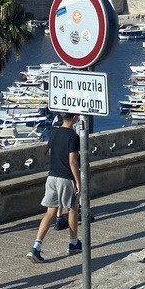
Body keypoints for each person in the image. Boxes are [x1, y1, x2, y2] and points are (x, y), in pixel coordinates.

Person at [27, 112, 82, 263]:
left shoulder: (54, 132)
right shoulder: (73, 136)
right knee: (72, 209)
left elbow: (50, 152)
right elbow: (73, 161)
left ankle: (36, 247)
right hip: (66, 178)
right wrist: (78, 181)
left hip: (52, 177)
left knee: (50, 213)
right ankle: (73, 243)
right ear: (75, 118)